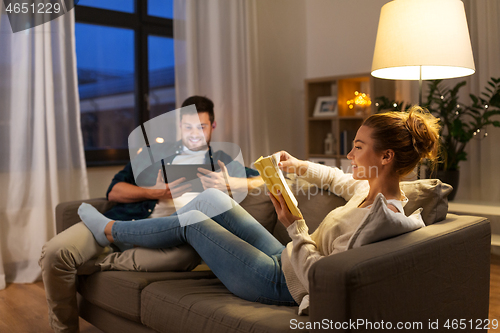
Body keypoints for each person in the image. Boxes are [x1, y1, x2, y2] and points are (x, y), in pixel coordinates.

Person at [77, 106, 441, 316]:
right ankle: (122, 232)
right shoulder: (369, 188)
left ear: (386, 156)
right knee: (212, 200)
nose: (350, 155)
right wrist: (297, 165)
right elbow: (334, 177)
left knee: (192, 222)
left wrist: (295, 226)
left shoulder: (380, 219)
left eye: (358, 147)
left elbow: (324, 278)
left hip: (284, 283)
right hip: (286, 259)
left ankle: (111, 232)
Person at [39, 95, 264, 333]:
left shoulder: (221, 161)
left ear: (213, 126)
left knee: (184, 258)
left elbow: (261, 180)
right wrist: (152, 192)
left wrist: (232, 182)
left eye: (201, 127)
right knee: (55, 253)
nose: (194, 133)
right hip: (122, 220)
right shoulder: (155, 154)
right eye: (188, 127)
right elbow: (114, 191)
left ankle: (93, 264)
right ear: (180, 126)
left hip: (164, 240)